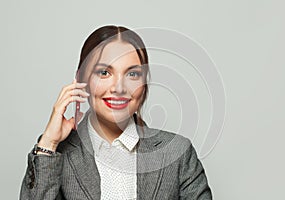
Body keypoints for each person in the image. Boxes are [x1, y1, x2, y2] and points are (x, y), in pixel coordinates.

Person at [19, 25, 213, 200]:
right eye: (104, 73)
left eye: (132, 74)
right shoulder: (57, 155)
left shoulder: (178, 152)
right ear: (80, 80)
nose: (119, 88)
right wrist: (48, 143)